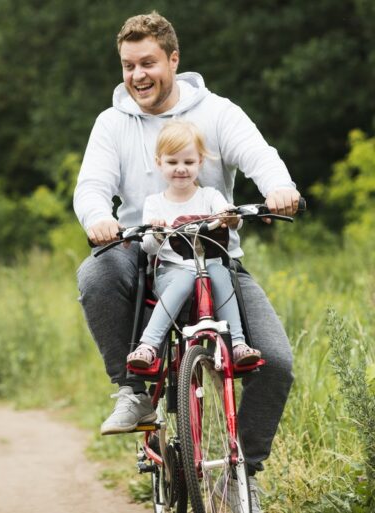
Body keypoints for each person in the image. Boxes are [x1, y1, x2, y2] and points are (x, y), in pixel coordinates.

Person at [73, 11, 300, 511]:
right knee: (95, 271)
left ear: (173, 59)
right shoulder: (112, 124)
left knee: (277, 363)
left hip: (217, 258)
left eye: (148, 62)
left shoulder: (217, 113)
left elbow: (260, 155)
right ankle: (134, 391)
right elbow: (91, 187)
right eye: (128, 65)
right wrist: (97, 218)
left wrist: (279, 189)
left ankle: (246, 472)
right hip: (147, 257)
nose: (137, 76)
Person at [126, 119, 261, 370]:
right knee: (185, 278)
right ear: (159, 163)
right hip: (171, 272)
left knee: (221, 272)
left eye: (188, 162)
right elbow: (147, 247)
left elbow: (230, 219)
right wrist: (155, 232)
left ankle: (238, 344)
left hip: (209, 267)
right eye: (172, 162)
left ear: (200, 162)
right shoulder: (155, 203)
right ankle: (148, 345)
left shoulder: (210, 197)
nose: (181, 169)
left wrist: (230, 217)